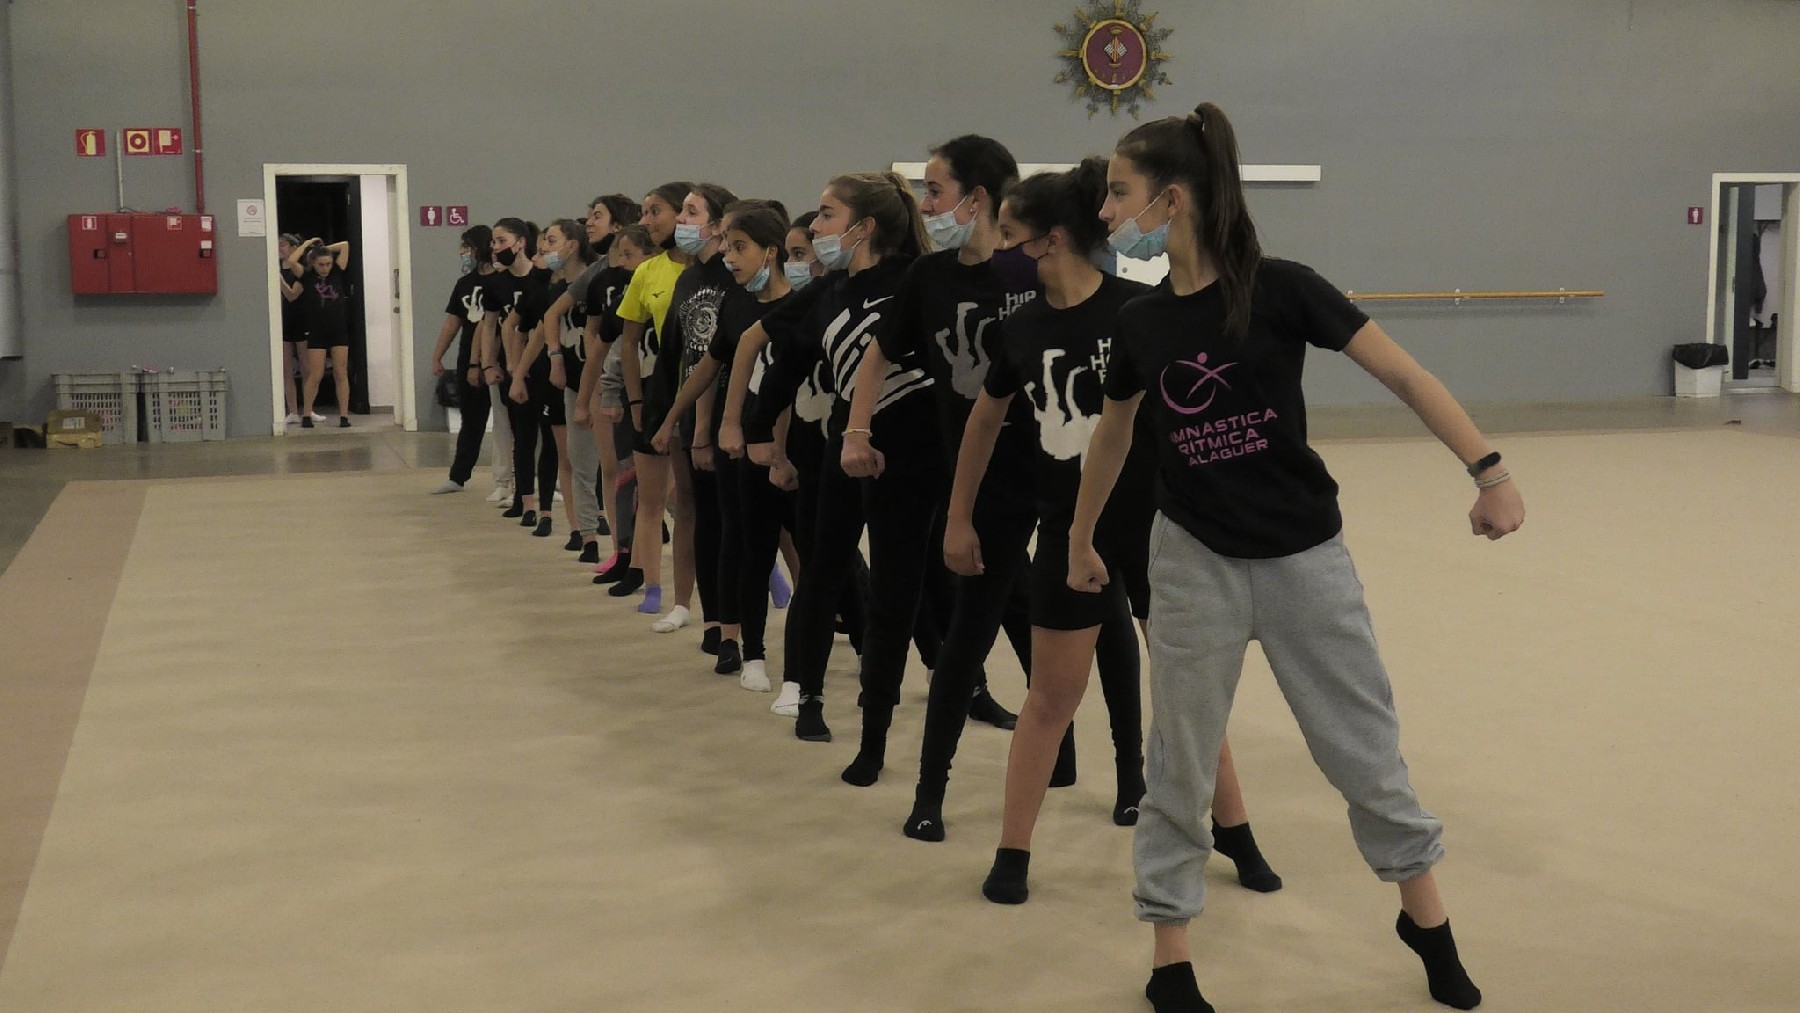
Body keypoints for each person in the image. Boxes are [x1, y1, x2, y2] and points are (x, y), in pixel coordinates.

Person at [1068, 102, 1521, 1013]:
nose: (1106, 212)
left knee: (1363, 748)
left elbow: (1404, 373)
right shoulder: (1142, 322)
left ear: (1172, 199)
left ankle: (1426, 920)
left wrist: (1490, 469)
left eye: (1118, 192)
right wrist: (1080, 537)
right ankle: (1170, 954)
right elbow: (1111, 437)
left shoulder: (1282, 289)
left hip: (1304, 557)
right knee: (1180, 761)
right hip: (1191, 560)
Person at [839, 136, 1037, 832]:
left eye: (935, 189)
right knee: (900, 601)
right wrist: (857, 430)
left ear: (975, 199)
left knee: (1022, 602)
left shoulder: (1027, 272)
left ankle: (1060, 742)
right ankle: (877, 744)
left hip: (1021, 474)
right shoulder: (929, 275)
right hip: (936, 459)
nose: (926, 205)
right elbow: (878, 355)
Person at [728, 172, 936, 782]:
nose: (815, 226)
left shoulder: (917, 280)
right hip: (843, 450)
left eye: (825, 215)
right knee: (822, 573)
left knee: (901, 589)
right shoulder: (827, 290)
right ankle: (809, 696)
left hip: (913, 455)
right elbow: (785, 361)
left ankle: (883, 725)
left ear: (863, 227)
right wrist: (757, 431)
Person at [655, 200, 795, 689]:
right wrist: (675, 420)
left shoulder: (800, 303)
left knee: (806, 544)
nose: (729, 257)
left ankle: (840, 628)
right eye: (727, 247)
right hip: (739, 444)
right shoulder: (735, 303)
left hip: (790, 445)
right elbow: (709, 369)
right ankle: (740, 643)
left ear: (770, 251)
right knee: (742, 543)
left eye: (739, 247)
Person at [646, 183, 741, 645]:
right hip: (691, 417)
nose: (682, 221)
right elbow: (674, 354)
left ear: (718, 225)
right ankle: (709, 617)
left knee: (745, 522)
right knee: (698, 513)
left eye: (691, 212)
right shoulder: (687, 278)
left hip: (732, 417)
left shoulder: (734, 276)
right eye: (681, 212)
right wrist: (664, 418)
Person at [618, 182, 696, 620]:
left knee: (701, 502)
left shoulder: (713, 269)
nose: (646, 221)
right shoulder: (649, 271)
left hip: (706, 394)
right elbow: (628, 343)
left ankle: (770, 576)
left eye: (655, 211)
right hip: (660, 393)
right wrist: (635, 400)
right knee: (652, 500)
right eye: (644, 212)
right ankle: (652, 585)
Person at [512, 220, 597, 539]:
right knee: (568, 456)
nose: (544, 248)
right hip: (563, 381)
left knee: (603, 460)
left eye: (551, 240)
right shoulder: (553, 290)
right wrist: (518, 374)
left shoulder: (596, 279)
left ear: (572, 245)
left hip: (597, 380)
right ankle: (579, 530)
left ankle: (605, 519)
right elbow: (536, 333)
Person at [587, 224, 654, 593]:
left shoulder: (668, 288)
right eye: (621, 255)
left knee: (670, 494)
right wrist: (610, 395)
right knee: (626, 479)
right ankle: (627, 556)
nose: (623, 263)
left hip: (664, 397)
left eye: (629, 255)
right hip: (631, 398)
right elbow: (614, 352)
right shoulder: (626, 297)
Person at [479, 218, 546, 523]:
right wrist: (488, 364)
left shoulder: (540, 277)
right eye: (493, 242)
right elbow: (490, 326)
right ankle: (521, 494)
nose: (496, 248)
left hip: (543, 362)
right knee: (519, 433)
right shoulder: (495, 283)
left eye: (502, 241)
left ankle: (548, 490)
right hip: (513, 365)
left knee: (547, 432)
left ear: (520, 243)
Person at [431, 225, 498, 494]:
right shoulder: (464, 284)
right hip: (467, 358)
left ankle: (519, 478)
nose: (463, 253)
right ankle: (458, 476)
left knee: (512, 424)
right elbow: (452, 323)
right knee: (472, 420)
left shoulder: (502, 280)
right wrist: (437, 356)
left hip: (497, 358)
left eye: (467, 247)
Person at [288, 237, 354, 429]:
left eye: (328, 264)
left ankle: (344, 416)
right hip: (317, 330)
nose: (325, 268)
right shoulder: (307, 276)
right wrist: (307, 246)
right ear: (313, 264)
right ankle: (307, 415)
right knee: (315, 374)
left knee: (341, 371)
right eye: (321, 265)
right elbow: (292, 261)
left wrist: (323, 249)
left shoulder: (337, 272)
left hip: (338, 329)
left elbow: (345, 245)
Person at [276, 233, 310, 425]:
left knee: (306, 369)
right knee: (286, 370)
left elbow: (291, 295)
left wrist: (278, 279)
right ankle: (293, 412)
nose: (279, 248)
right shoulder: (276, 267)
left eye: (283, 245)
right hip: (284, 322)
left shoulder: (301, 270)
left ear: (293, 248)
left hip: (302, 321)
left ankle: (308, 410)